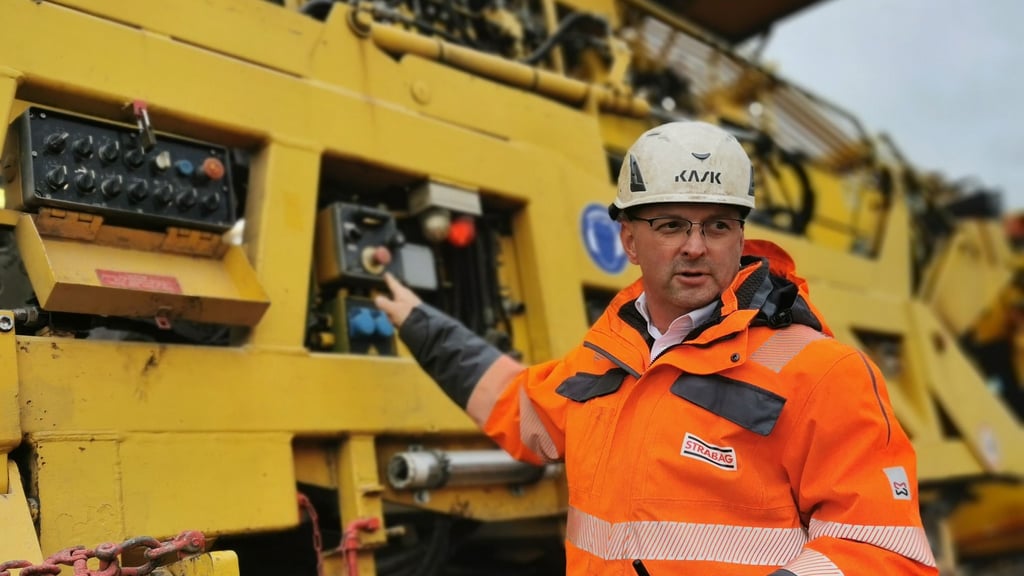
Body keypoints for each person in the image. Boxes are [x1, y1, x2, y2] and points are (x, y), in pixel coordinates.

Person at [375, 121, 938, 575]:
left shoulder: (821, 372)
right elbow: (516, 408)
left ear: (741, 238)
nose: (695, 248)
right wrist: (420, 324)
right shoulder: (605, 363)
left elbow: (884, 552)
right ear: (629, 240)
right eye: (671, 225)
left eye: (716, 226)